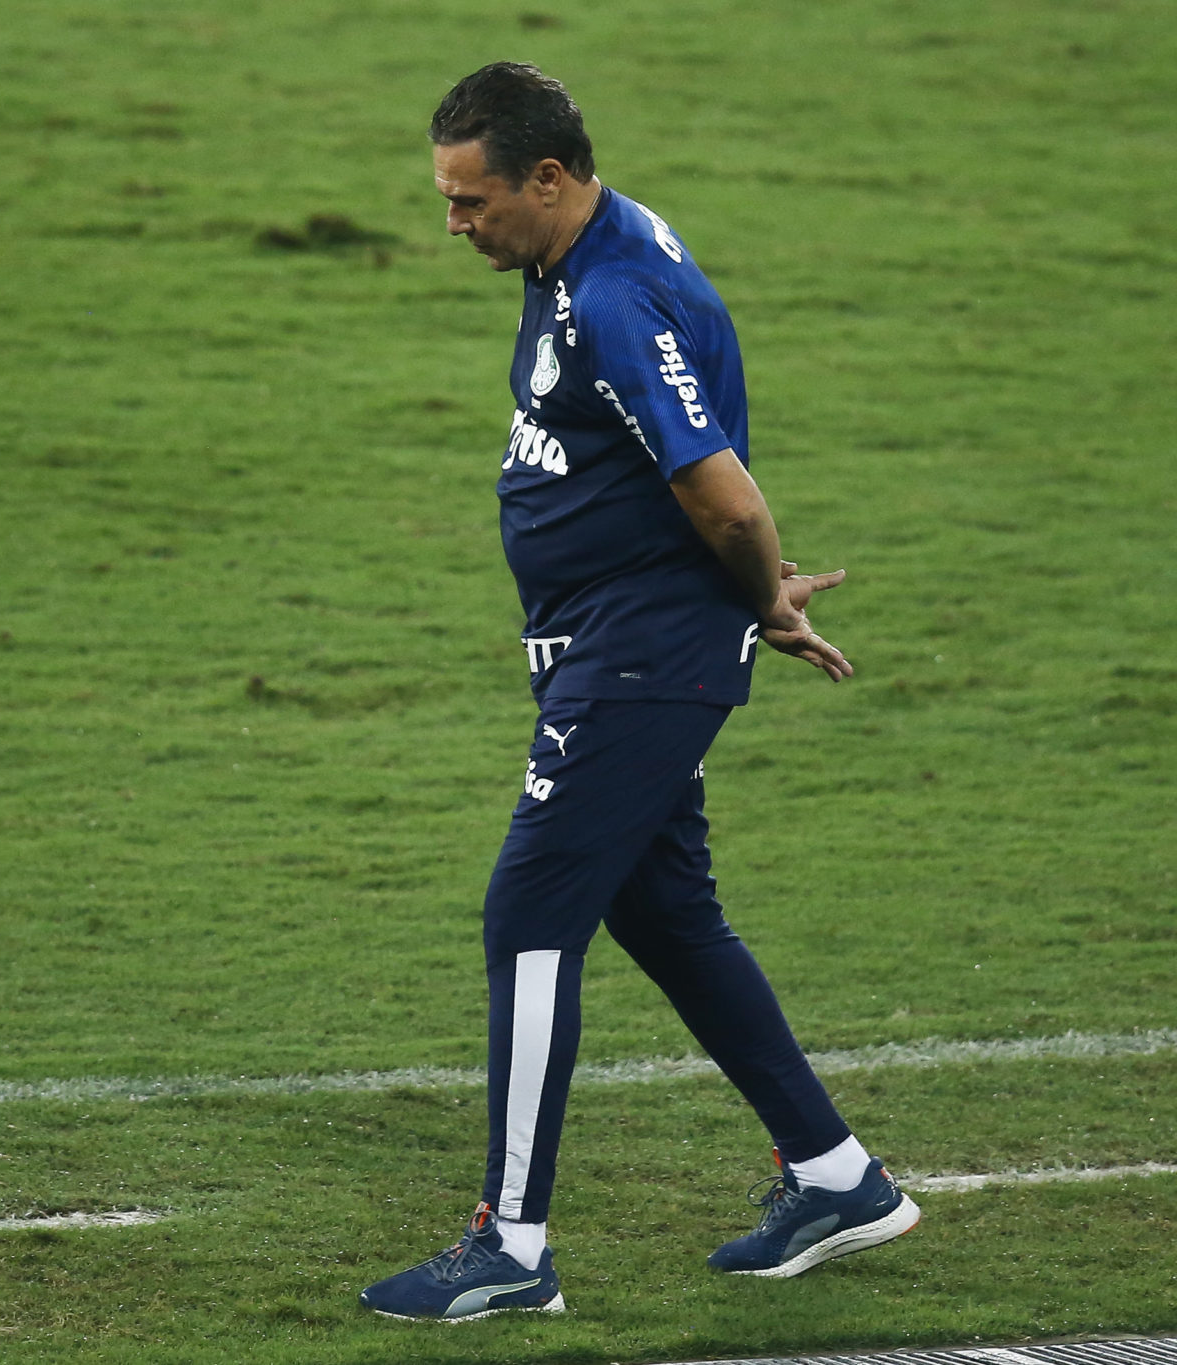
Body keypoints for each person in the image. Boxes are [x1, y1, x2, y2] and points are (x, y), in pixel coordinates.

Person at [359, 62, 918, 1322]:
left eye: (468, 202)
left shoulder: (615, 293)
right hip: (613, 638)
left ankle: (508, 1247)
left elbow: (717, 489)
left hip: (637, 656)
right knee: (663, 914)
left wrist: (761, 591)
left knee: (529, 912)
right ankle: (838, 1179)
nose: (453, 226)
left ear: (546, 180)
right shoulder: (585, 248)